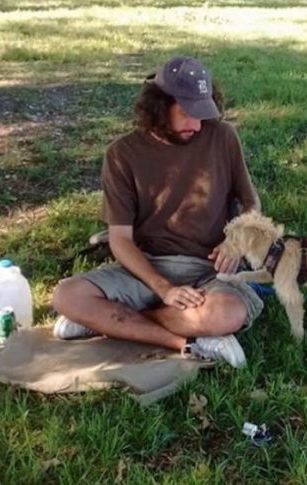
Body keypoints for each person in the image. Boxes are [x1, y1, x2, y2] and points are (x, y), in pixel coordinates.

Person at [51, 56, 263, 368]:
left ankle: (107, 321)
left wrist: (237, 241)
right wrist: (163, 289)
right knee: (66, 296)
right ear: (160, 107)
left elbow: (252, 205)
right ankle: (186, 341)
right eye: (188, 113)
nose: (197, 124)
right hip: (145, 269)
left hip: (209, 270)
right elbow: (120, 239)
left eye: (203, 113)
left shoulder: (223, 137)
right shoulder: (122, 154)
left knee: (226, 314)